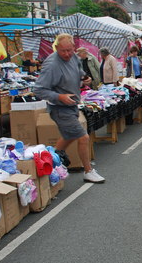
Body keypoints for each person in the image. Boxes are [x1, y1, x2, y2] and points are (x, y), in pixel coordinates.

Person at [33, 33, 105, 183]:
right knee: (83, 137)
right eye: (62, 51)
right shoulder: (51, 65)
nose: (66, 54)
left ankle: (51, 160)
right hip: (59, 108)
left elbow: (78, 71)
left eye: (69, 50)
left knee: (68, 136)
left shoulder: (74, 58)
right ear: (56, 48)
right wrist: (60, 97)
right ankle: (88, 171)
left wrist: (85, 79)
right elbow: (39, 90)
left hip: (72, 105)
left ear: (73, 48)